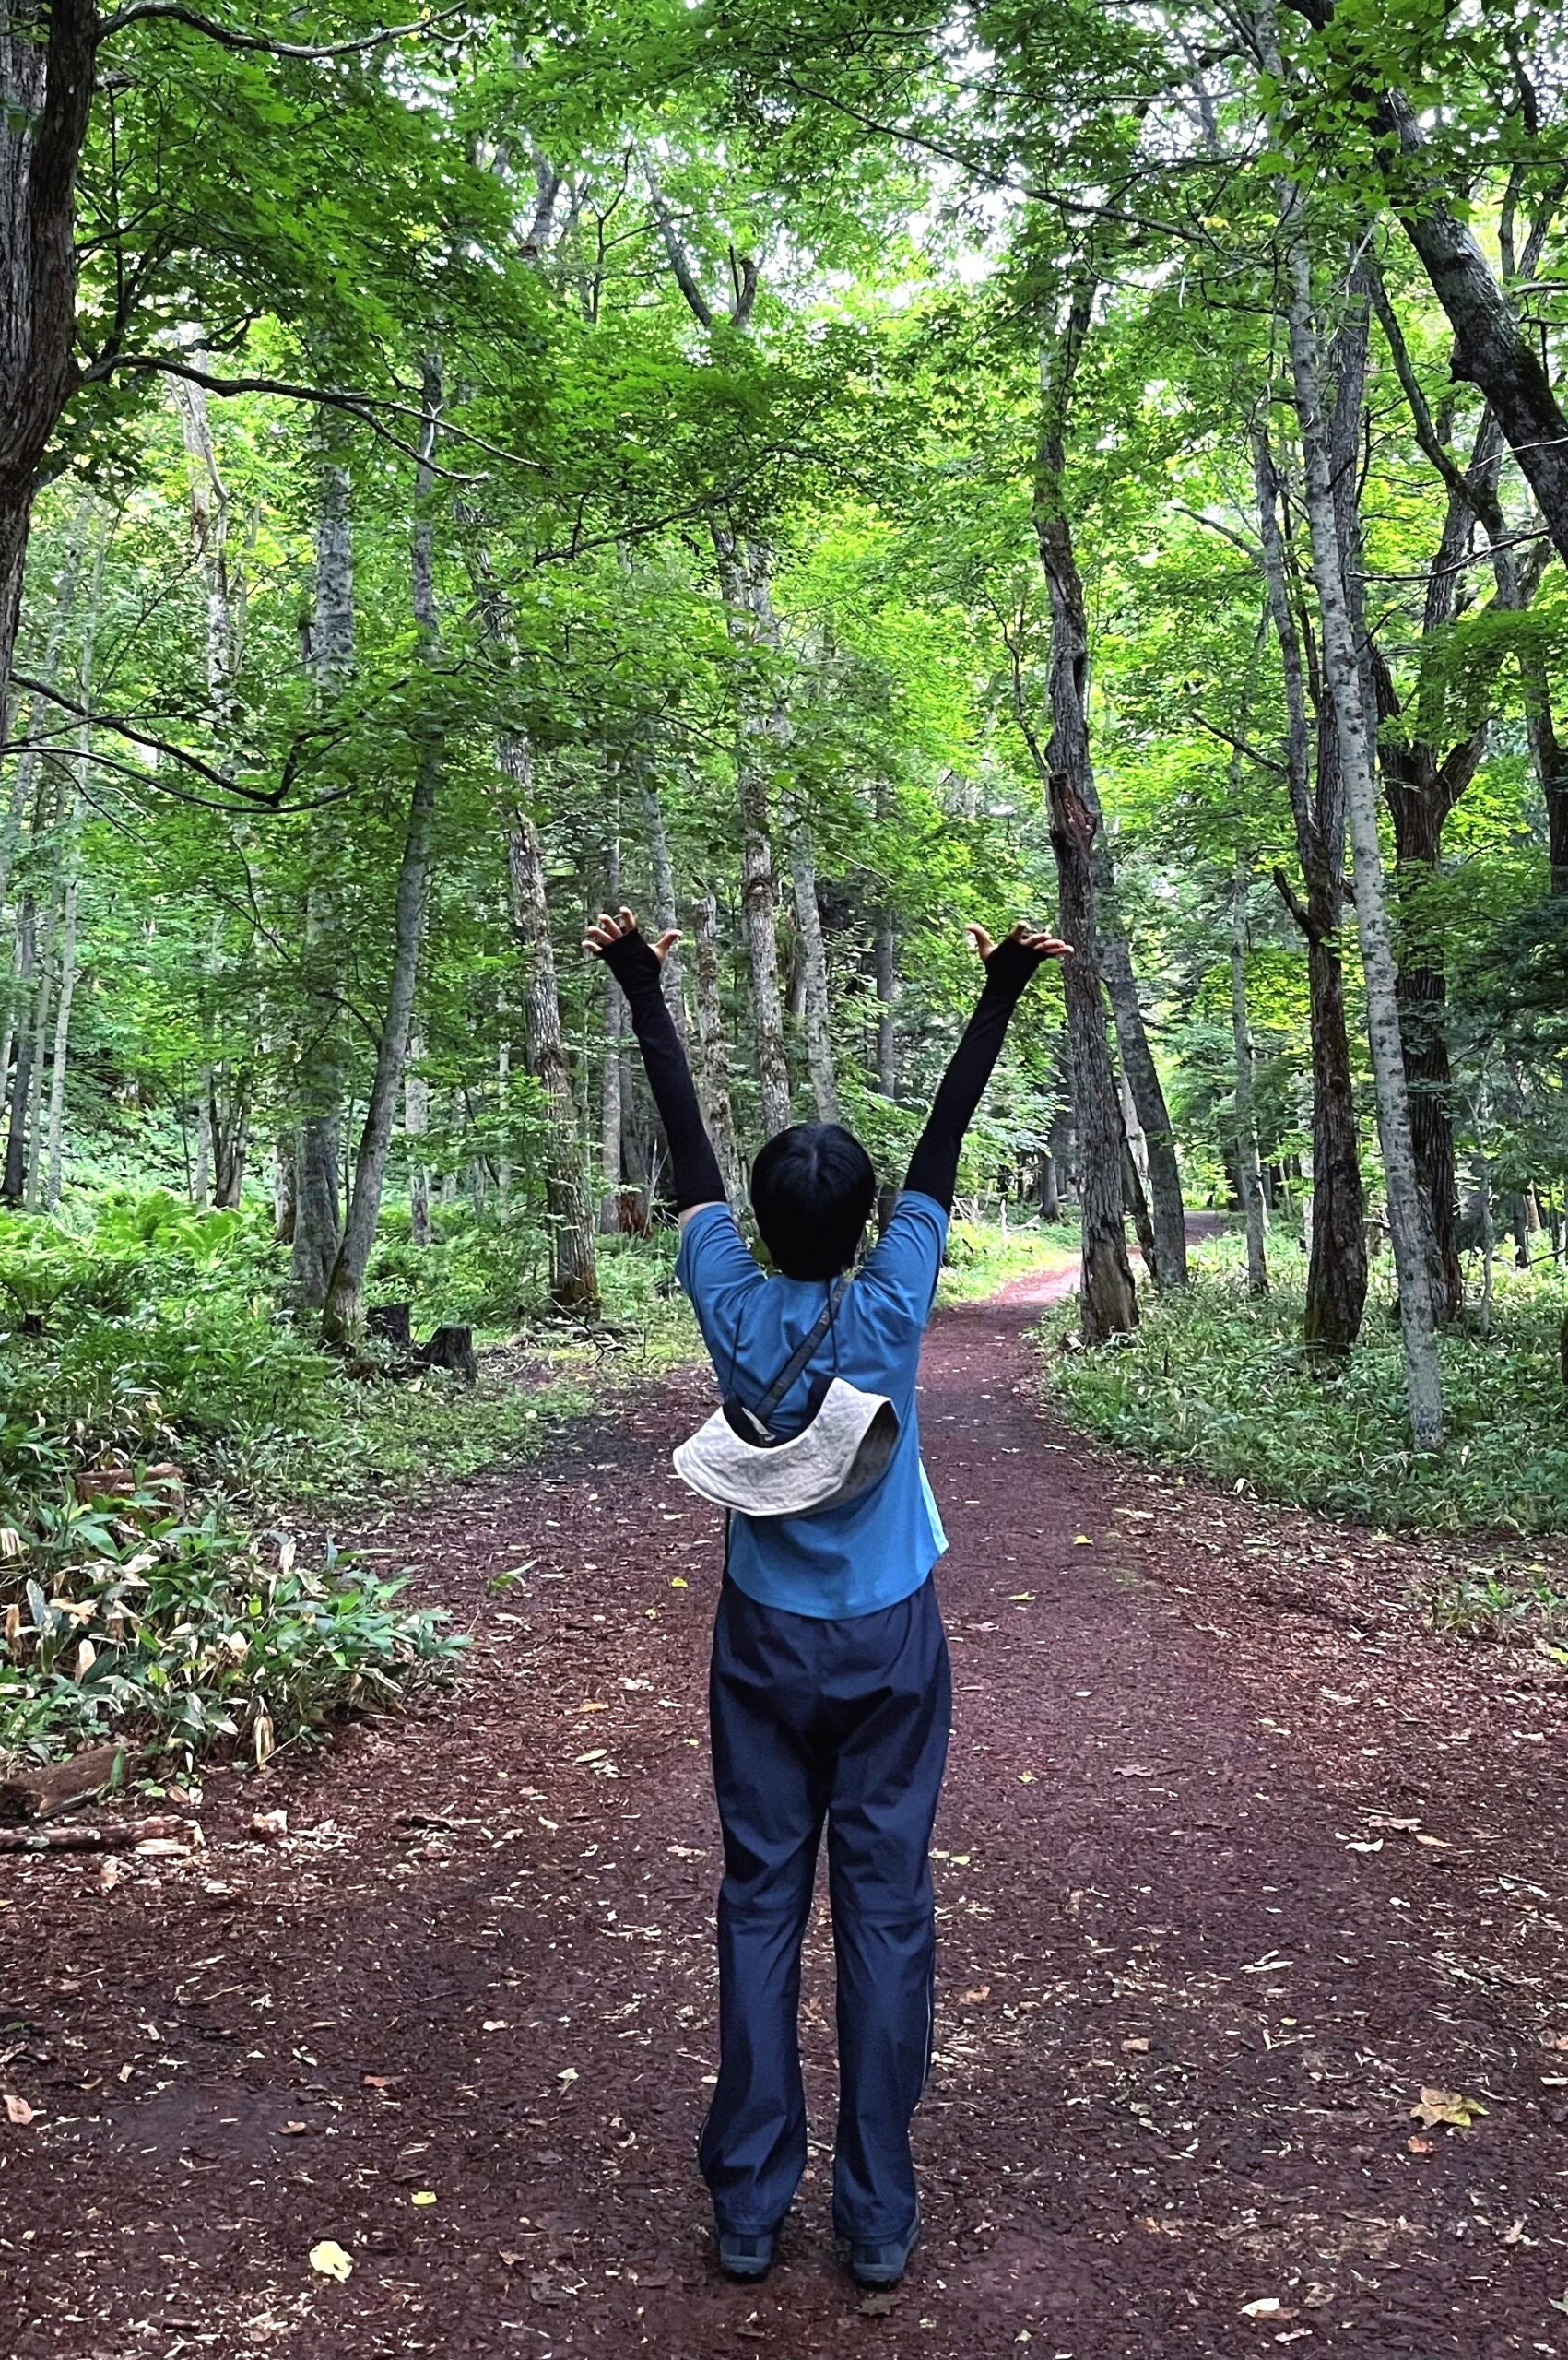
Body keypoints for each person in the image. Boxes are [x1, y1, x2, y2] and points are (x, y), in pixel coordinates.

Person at [583, 904, 1071, 2295]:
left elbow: (685, 1160)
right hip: (891, 1636)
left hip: (763, 1641)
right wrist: (997, 997)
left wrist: (642, 989)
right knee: (886, 1907)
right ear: (866, 1226)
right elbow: (944, 1146)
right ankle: (877, 2213)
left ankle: (749, 2204)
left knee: (757, 1903)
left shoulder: (729, 1301)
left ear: (768, 1221)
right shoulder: (895, 1301)